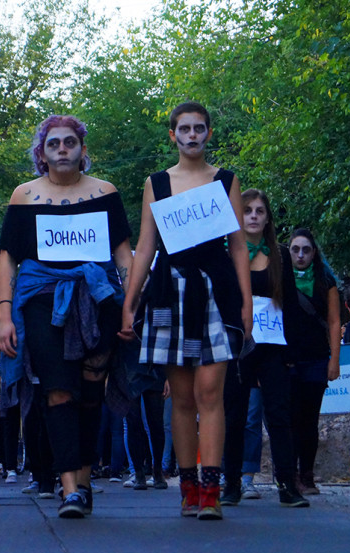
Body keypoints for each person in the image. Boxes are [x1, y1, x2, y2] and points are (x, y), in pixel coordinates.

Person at [121, 102, 252, 521]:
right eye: (184, 129)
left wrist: (247, 303)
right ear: (173, 136)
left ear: (209, 134)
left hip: (216, 291)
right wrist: (130, 301)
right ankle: (189, 486)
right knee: (180, 396)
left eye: (199, 129)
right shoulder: (156, 183)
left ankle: (212, 491)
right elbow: (146, 246)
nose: (192, 135)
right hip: (169, 290)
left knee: (209, 392)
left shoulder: (225, 180)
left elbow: (238, 245)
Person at [0, 115, 133, 518]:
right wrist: (5, 315)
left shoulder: (105, 193)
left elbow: (124, 254)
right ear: (41, 152)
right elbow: (7, 260)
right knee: (57, 388)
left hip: (98, 297)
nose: (62, 149)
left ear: (82, 150)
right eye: (54, 143)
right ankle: (69, 486)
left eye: (70, 142)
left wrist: (129, 307)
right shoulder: (23, 196)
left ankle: (86, 477)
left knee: (92, 391)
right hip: (41, 298)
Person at [221, 189, 308, 507]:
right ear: (238, 215)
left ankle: (288, 484)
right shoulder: (228, 252)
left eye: (260, 211)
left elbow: (291, 305)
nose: (254, 216)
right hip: (238, 347)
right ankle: (231, 484)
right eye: (248, 210)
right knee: (235, 416)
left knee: (279, 416)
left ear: (268, 217)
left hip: (273, 345)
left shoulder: (280, 254)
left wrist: (291, 354)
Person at [288, 228, 340, 494]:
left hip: (316, 358)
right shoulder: (282, 279)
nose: (300, 255)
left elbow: (334, 321)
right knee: (290, 418)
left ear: (314, 253)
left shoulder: (325, 281)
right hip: (287, 358)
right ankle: (289, 474)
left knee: (309, 419)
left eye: (305, 250)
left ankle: (306, 475)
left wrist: (334, 360)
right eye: (295, 249)